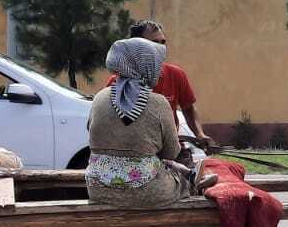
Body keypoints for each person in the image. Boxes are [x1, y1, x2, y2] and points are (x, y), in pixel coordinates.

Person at [86, 38, 208, 208]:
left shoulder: (99, 97)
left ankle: (190, 176)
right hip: (144, 192)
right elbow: (171, 152)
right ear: (144, 66)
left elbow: (92, 135)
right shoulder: (158, 102)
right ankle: (191, 181)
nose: (159, 71)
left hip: (98, 188)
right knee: (176, 180)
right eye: (156, 64)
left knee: (153, 162)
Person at [108, 20, 211, 150]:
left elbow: (188, 108)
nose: (161, 48)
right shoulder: (118, 83)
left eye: (163, 42)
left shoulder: (176, 74)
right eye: (154, 43)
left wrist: (199, 134)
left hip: (169, 150)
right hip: (134, 152)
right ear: (136, 47)